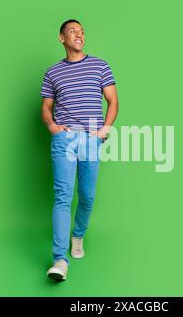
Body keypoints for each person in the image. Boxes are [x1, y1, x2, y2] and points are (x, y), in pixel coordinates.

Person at [41, 19, 119, 281]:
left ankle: (78, 235)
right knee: (63, 196)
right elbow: (45, 107)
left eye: (82, 31)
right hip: (64, 139)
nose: (79, 34)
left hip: (90, 138)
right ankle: (60, 260)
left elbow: (112, 100)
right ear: (62, 38)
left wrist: (104, 130)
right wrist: (52, 126)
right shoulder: (52, 72)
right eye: (73, 31)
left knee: (86, 195)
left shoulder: (100, 66)